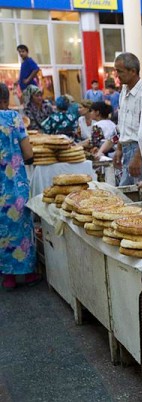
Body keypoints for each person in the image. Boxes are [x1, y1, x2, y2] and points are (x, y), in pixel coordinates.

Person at [0, 83, 41, 290]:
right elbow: (27, 152)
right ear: (6, 100)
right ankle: (26, 272)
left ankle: (6, 276)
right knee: (21, 227)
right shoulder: (12, 118)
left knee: (2, 230)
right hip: (13, 185)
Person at [112, 52, 142, 186]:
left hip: (138, 149)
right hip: (126, 147)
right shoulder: (123, 90)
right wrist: (119, 148)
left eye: (120, 71)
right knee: (126, 193)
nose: (117, 75)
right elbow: (122, 124)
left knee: (131, 195)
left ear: (133, 71)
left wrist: (138, 157)